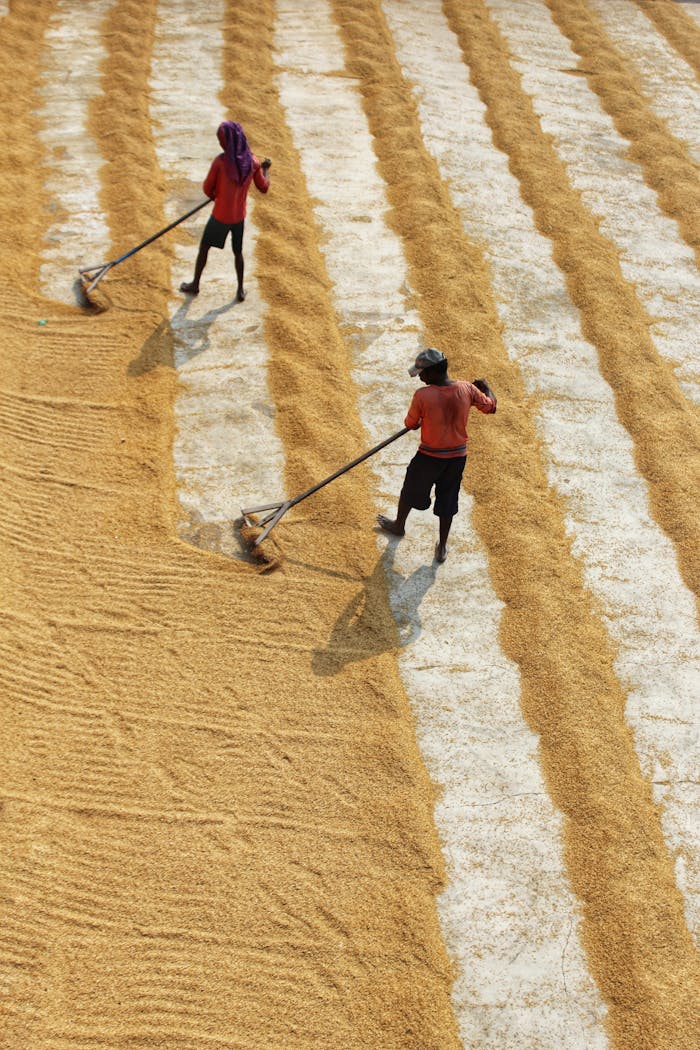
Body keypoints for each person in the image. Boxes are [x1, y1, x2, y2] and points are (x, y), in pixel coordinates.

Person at [377, 347, 497, 563]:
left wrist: (423, 418)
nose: (420, 377)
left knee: (410, 489)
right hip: (457, 458)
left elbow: (410, 424)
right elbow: (490, 407)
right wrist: (486, 387)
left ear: (432, 373)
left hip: (429, 457)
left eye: (422, 373)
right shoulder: (467, 389)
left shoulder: (423, 395)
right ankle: (442, 546)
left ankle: (399, 525)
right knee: (448, 499)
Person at [180, 121, 271, 301]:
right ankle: (240, 290)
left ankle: (195, 284)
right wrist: (265, 169)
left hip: (220, 216)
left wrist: (217, 194)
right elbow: (264, 186)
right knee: (238, 252)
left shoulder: (221, 163)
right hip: (238, 218)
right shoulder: (252, 162)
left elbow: (207, 189)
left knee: (205, 248)